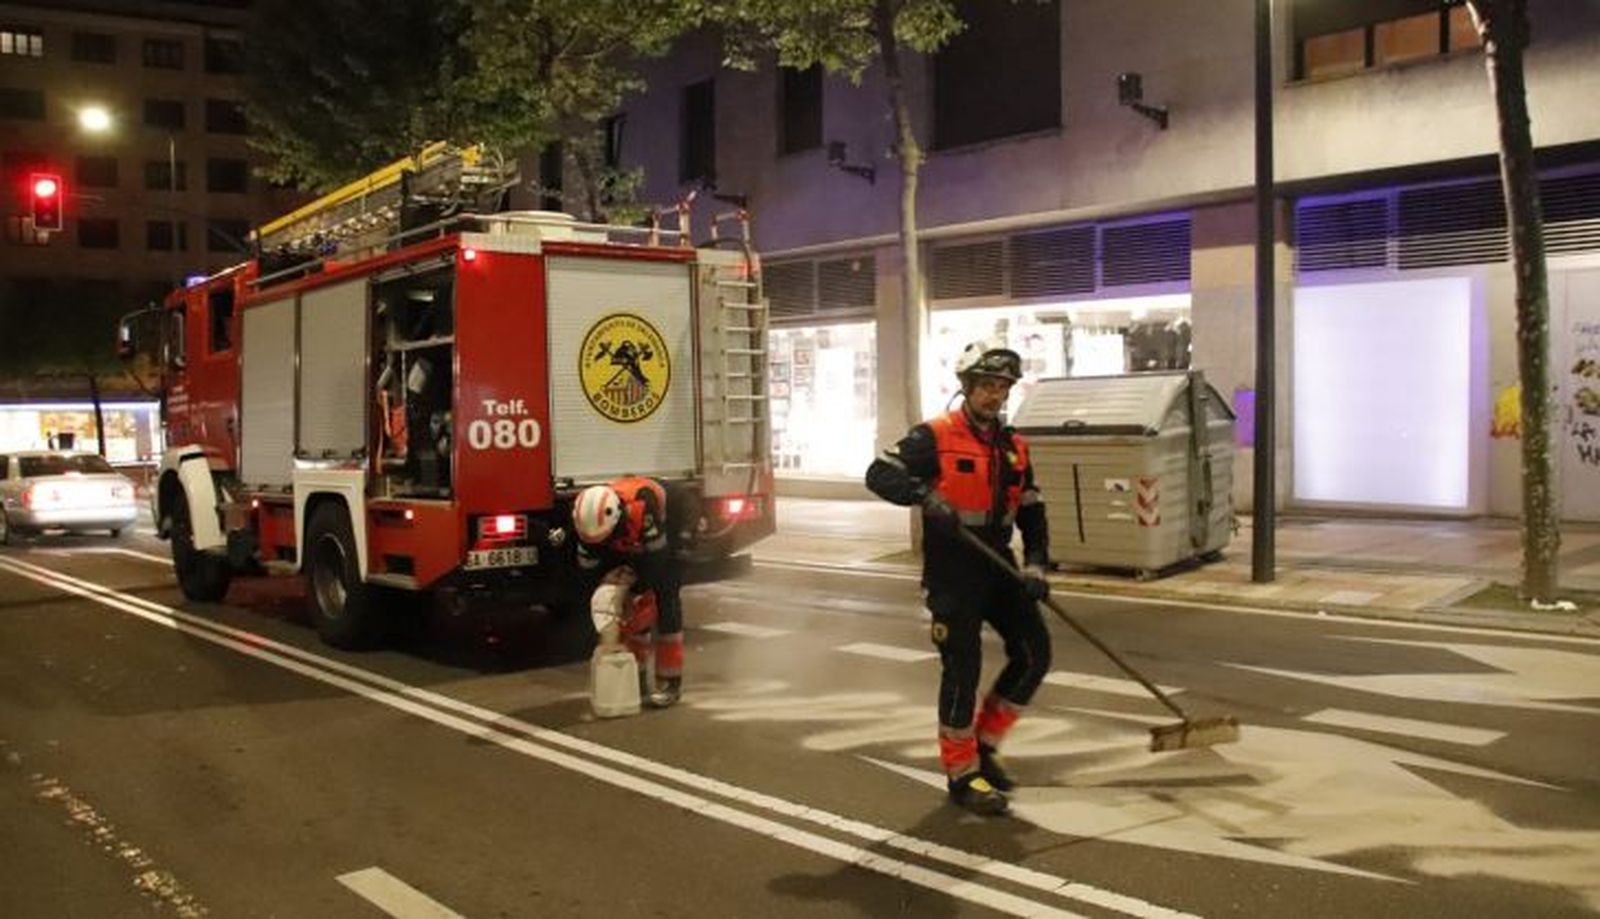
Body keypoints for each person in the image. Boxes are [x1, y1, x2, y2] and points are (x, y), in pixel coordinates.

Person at [865, 342, 1052, 816]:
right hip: (953, 572)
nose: (995, 396)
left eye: (1003, 387)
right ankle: (962, 773)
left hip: (998, 565)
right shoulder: (934, 435)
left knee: (1034, 654)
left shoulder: (1014, 447)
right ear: (967, 387)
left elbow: (1031, 511)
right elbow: (879, 474)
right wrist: (924, 495)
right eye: (987, 386)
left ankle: (985, 747)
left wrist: (1035, 566)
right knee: (962, 670)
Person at [572, 476, 684, 708]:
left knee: (665, 599)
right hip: (636, 543)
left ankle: (670, 683)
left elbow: (657, 559)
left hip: (673, 529)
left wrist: (636, 592)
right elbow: (588, 573)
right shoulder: (589, 525)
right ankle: (638, 679)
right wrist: (608, 601)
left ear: (617, 519)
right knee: (634, 613)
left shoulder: (642, 506)